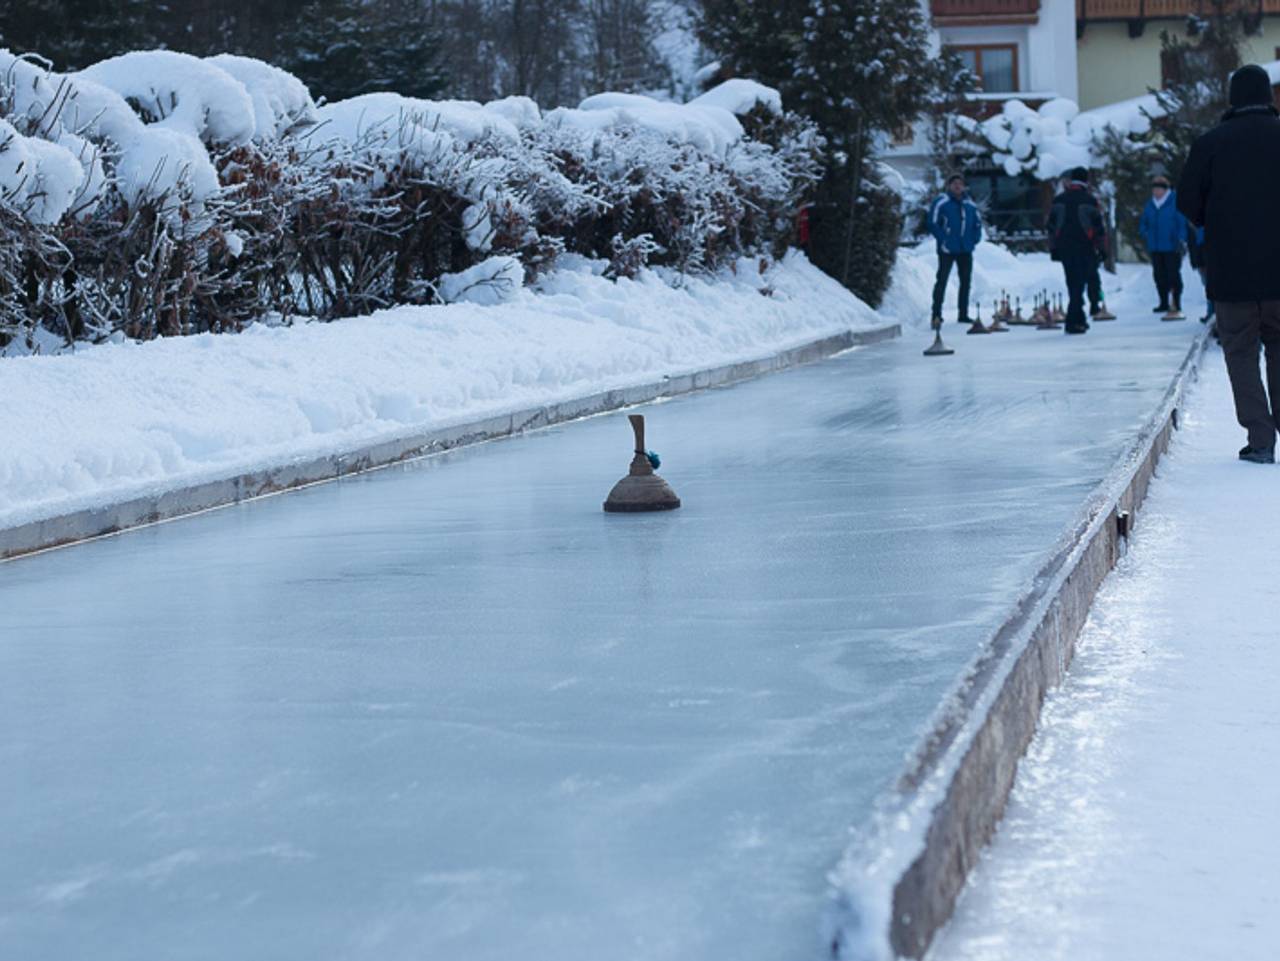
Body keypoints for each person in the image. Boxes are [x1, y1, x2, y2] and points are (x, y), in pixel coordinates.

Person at [1178, 62, 1280, 463]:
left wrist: (1213, 216)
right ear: (1269, 97)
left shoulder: (1210, 143)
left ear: (1233, 99)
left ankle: (1260, 439)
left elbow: (1187, 202)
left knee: (1241, 354)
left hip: (1233, 274)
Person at [1047, 167, 1107, 335]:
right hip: (1085, 247)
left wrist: (1053, 248)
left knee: (1072, 282)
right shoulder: (1090, 201)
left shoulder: (1058, 200)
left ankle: (1078, 318)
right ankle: (1073, 321)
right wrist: (1102, 249)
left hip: (1065, 247)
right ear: (1086, 181)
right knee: (1080, 283)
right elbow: (1098, 229)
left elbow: (1051, 227)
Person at [929, 174, 982, 326]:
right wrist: (943, 239)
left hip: (965, 249)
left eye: (960, 183)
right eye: (954, 184)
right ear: (949, 186)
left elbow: (977, 224)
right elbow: (932, 223)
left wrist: (974, 239)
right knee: (942, 280)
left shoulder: (970, 205)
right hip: (947, 249)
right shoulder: (942, 202)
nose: (958, 186)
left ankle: (963, 314)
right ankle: (936, 314)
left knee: (966, 281)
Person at [1139, 175, 1188, 315]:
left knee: (1173, 274)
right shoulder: (1150, 204)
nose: (1156, 192)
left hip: (1171, 246)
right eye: (1154, 189)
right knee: (1159, 275)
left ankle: (1176, 302)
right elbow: (1144, 222)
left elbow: (1181, 221)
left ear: (1165, 190)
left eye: (1159, 189)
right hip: (1155, 246)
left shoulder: (1174, 202)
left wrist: (1181, 238)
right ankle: (1163, 302)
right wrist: (1145, 233)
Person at [1186, 224, 1214, 324]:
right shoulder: (1192, 222)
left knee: (1213, 285)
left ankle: (1214, 313)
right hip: (1199, 254)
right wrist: (1194, 260)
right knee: (1207, 285)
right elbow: (1190, 240)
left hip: (1209, 251)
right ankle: (1211, 312)